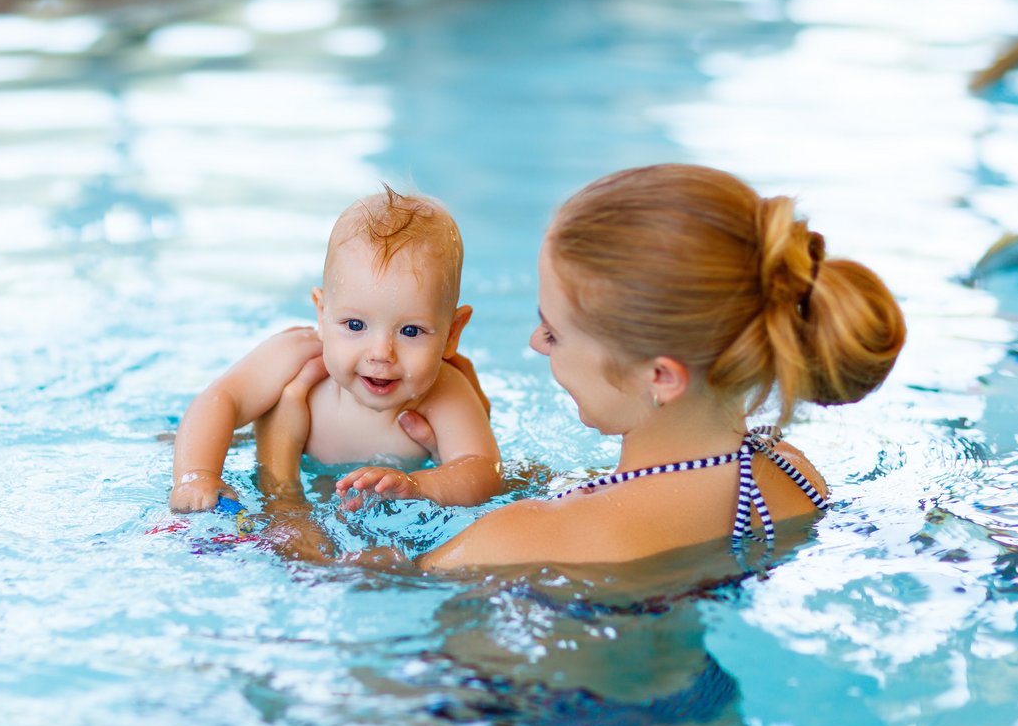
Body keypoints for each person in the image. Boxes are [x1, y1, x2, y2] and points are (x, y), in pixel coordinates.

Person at [268, 164, 907, 569]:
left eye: (556, 331)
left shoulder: (518, 542)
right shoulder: (793, 477)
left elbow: (338, 579)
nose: (536, 344)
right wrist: (480, 465)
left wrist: (283, 486)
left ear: (660, 377)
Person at [168, 185, 502, 514]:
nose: (381, 353)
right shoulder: (296, 356)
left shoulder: (446, 393)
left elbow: (483, 471)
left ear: (452, 333)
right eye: (355, 325)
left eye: (410, 331)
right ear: (322, 314)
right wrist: (196, 474)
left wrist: (420, 486)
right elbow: (221, 398)